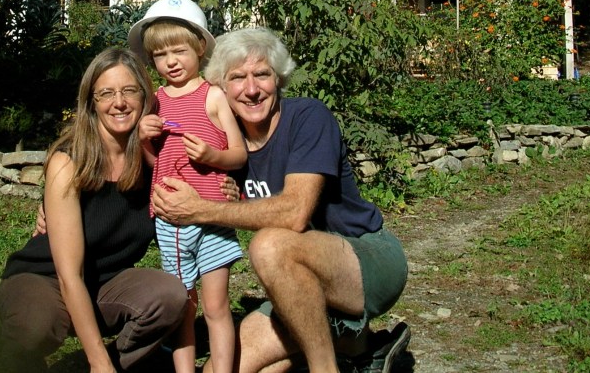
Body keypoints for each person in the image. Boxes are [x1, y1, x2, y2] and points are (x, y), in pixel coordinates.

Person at [152, 27, 410, 373]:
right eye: (238, 78)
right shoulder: (229, 147)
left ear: (279, 79)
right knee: (223, 369)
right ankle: (361, 349)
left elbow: (295, 213)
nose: (252, 89)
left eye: (262, 75)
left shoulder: (308, 118)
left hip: (364, 258)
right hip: (298, 286)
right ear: (221, 87)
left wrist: (205, 210)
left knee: (270, 244)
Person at [0, 47, 188, 373]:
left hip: (107, 283)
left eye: (129, 90)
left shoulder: (154, 159)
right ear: (91, 102)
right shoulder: (68, 161)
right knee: (36, 324)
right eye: (106, 93)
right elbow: (69, 275)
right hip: (45, 279)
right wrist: (100, 363)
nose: (120, 102)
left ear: (145, 97)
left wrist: (225, 189)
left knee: (169, 296)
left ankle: (84, 367)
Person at [128, 0, 247, 373]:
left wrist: (212, 157)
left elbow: (239, 154)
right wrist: (145, 140)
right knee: (183, 306)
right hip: (172, 222)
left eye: (178, 51)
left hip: (212, 219)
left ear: (200, 47)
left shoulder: (212, 95)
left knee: (215, 306)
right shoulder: (155, 102)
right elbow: (155, 164)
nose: (171, 62)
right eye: (161, 56)